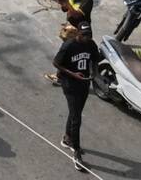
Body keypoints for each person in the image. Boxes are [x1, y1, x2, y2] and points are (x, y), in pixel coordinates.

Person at [51, 20, 99, 171]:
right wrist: (73, 74)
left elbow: (95, 60)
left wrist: (93, 73)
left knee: (74, 113)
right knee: (76, 118)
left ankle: (67, 138)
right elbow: (56, 63)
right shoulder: (69, 46)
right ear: (78, 33)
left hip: (84, 83)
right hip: (70, 84)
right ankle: (77, 153)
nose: (87, 38)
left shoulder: (91, 45)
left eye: (89, 35)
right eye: (84, 35)